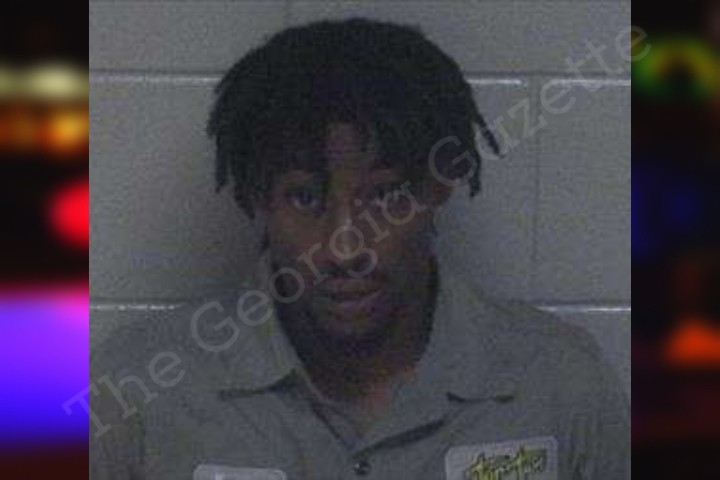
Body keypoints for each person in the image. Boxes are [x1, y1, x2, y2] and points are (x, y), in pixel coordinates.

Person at [89, 18, 629, 480]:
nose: (345, 248)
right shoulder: (139, 394)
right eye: (305, 197)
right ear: (256, 196)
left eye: (386, 196)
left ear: (438, 188)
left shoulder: (559, 386)